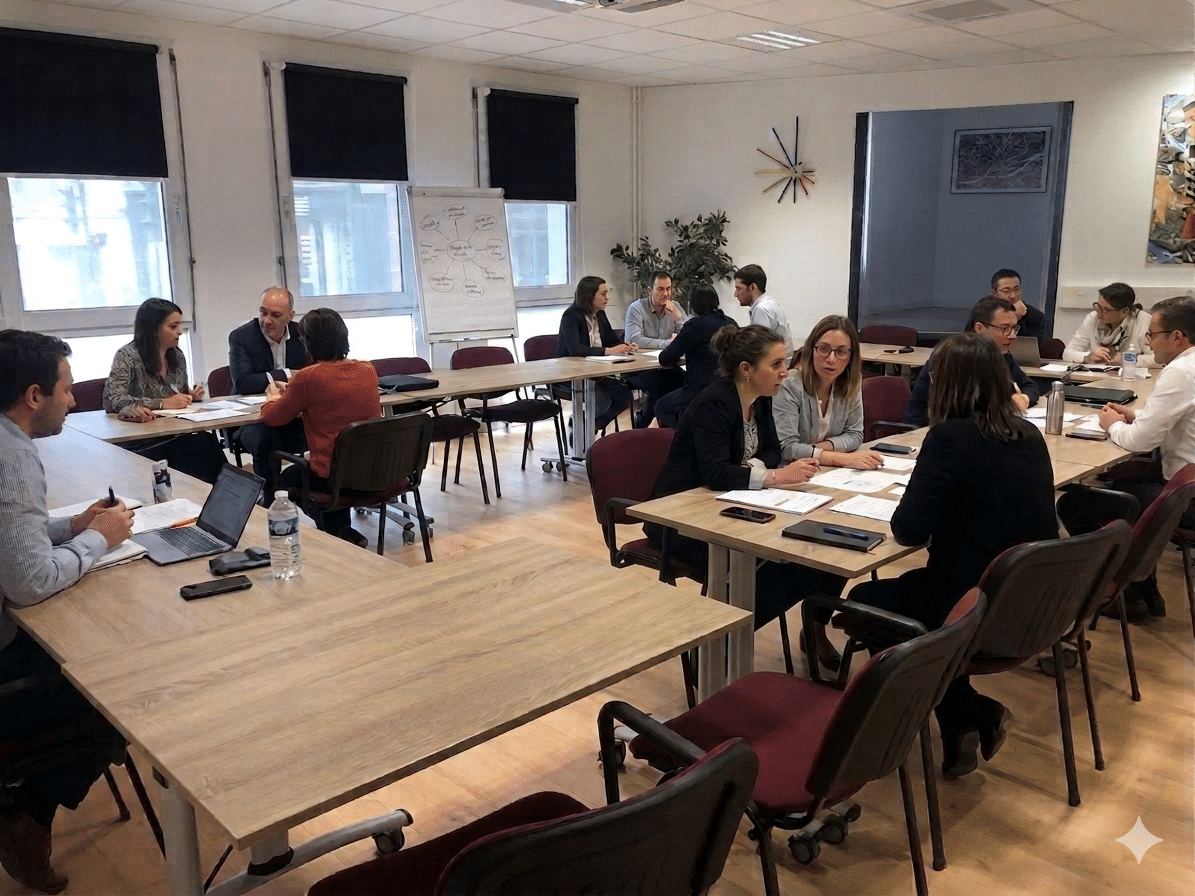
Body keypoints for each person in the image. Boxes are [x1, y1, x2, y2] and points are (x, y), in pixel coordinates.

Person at [847, 332, 1058, 779]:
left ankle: (964, 711)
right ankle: (962, 717)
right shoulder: (1029, 434)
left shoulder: (949, 438)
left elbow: (908, 530)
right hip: (1024, 604)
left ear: (947, 384)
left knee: (863, 602)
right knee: (911, 601)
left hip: (968, 601)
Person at [0, 330, 135, 894]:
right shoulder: (12, 456)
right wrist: (101, 538)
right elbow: (30, 582)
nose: (74, 400)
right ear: (34, 396)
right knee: (124, 691)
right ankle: (25, 816)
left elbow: (13, 538)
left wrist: (74, 526)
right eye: (66, 389)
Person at [646, 324, 846, 666]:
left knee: (824, 550)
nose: (785, 371)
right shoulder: (713, 404)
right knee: (775, 563)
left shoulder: (761, 399)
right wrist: (773, 476)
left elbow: (771, 450)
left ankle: (739, 639)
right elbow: (716, 473)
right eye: (776, 364)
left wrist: (753, 471)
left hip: (730, 503)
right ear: (746, 369)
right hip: (680, 521)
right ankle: (713, 650)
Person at [1057, 296, 1195, 619]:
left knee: (1076, 503)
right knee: (1123, 485)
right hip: (1186, 484)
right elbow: (1174, 418)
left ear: (1177, 337)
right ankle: (1142, 589)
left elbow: (1138, 442)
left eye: (1152, 335)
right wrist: (1137, 415)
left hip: (1186, 500)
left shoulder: (1180, 372)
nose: (1148, 342)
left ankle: (1119, 590)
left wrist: (1113, 425)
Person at [259, 308, 381, 546]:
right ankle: (342, 530)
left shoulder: (308, 377)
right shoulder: (368, 369)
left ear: (307, 342)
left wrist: (272, 398)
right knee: (338, 462)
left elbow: (273, 418)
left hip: (334, 477)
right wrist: (293, 391)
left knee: (287, 478)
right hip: (375, 471)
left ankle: (335, 531)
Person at [102, 298, 228, 484]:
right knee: (202, 448)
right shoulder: (128, 356)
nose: (180, 331)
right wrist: (161, 403)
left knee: (205, 442)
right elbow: (113, 399)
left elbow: (177, 394)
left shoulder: (177, 355)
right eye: (173, 326)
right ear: (154, 329)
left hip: (173, 433)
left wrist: (189, 396)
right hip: (142, 441)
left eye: (180, 325)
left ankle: (227, 492)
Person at [904, 296, 1040, 427]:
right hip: (932, 430)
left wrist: (1023, 399)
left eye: (1014, 328)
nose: (1013, 336)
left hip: (976, 429)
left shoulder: (1002, 355)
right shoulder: (953, 357)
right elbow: (964, 410)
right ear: (979, 328)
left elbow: (1030, 386)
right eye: (1005, 329)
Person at [228, 286, 310, 499]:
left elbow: (313, 373)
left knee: (326, 428)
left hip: (292, 414)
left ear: (290, 316)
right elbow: (244, 382)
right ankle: (270, 499)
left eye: (275, 315)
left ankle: (311, 494)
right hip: (253, 419)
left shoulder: (303, 334)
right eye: (263, 312)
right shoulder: (241, 337)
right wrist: (288, 374)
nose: (266, 320)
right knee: (265, 439)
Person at [774, 315, 883, 469]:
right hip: (790, 472)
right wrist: (840, 458)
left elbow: (855, 434)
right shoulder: (789, 385)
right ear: (811, 350)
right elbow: (786, 448)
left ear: (851, 357)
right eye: (824, 349)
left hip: (827, 471)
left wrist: (816, 450)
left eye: (841, 351)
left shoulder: (851, 381)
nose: (831, 359)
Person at [556, 276, 635, 433]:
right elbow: (575, 349)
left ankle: (586, 426)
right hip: (572, 376)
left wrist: (625, 346)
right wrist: (608, 351)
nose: (608, 298)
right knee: (602, 401)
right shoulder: (570, 316)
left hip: (596, 373)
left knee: (624, 395)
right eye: (603, 294)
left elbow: (611, 341)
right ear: (590, 296)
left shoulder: (600, 314)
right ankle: (583, 429)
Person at [655, 284, 735, 429]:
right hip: (729, 390)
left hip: (700, 391)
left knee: (661, 406)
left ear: (693, 305)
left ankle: (692, 431)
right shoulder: (730, 323)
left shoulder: (694, 326)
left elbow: (665, 358)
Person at [624, 271, 687, 428]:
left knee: (686, 381)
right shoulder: (637, 308)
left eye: (668, 289)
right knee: (662, 384)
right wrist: (668, 344)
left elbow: (689, 334)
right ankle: (643, 422)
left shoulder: (675, 307)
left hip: (666, 367)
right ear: (650, 290)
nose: (665, 294)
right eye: (660, 289)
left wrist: (678, 318)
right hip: (639, 369)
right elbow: (634, 338)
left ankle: (667, 427)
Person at [1062, 282, 1155, 367]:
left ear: (1124, 311)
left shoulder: (1144, 321)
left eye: (1106, 310)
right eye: (1098, 307)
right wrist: (1087, 357)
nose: (1099, 313)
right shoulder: (1092, 318)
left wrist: (1126, 358)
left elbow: (1157, 360)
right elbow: (1067, 353)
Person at [733, 264, 793, 358]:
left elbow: (760, 349)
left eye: (739, 288)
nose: (735, 294)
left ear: (753, 287)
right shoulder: (769, 303)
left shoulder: (761, 309)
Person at [991, 268, 1046, 339]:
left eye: (1016, 289)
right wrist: (1014, 315)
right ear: (994, 293)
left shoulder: (1035, 316)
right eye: (1006, 291)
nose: (1013, 296)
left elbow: (1029, 345)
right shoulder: (985, 313)